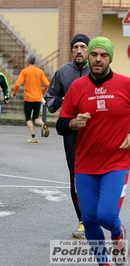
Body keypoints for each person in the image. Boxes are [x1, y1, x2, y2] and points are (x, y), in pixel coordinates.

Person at [56, 36, 130, 266]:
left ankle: (118, 233)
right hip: (85, 166)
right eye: (94, 55)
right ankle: (104, 264)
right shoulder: (77, 87)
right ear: (89, 57)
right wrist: (72, 123)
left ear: (110, 58)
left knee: (107, 217)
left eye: (103, 55)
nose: (98, 59)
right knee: (89, 220)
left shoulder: (125, 84)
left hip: (116, 163)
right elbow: (60, 125)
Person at [44, 33, 90, 239]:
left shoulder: (97, 72)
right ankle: (83, 220)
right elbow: (49, 99)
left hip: (95, 132)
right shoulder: (62, 72)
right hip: (71, 131)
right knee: (76, 175)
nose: (79, 50)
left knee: (97, 174)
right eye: (75, 47)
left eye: (82, 47)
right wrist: (60, 100)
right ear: (71, 50)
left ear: (88, 50)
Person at [12, 54, 50, 143]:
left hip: (28, 99)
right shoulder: (40, 71)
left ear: (27, 61)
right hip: (37, 98)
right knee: (36, 117)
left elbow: (18, 84)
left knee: (28, 118)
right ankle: (42, 123)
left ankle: (33, 137)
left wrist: (14, 93)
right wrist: (42, 94)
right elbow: (47, 83)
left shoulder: (24, 71)